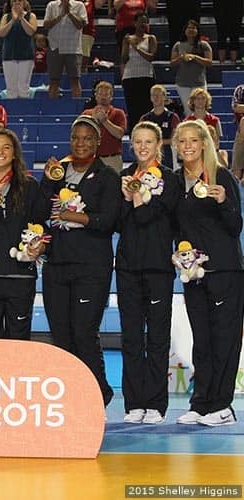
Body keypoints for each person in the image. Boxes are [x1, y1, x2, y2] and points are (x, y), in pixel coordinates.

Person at [38, 115, 121, 408]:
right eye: (76, 138)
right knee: (61, 335)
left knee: (84, 333)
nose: (81, 143)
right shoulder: (57, 172)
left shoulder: (108, 176)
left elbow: (110, 221)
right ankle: (70, 396)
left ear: (97, 142)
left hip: (91, 267)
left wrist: (78, 217)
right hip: (57, 265)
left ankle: (99, 394)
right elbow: (39, 212)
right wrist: (48, 182)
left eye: (87, 138)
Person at [173, 119, 243, 427]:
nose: (188, 145)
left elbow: (235, 226)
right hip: (194, 274)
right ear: (177, 146)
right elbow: (176, 227)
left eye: (193, 140)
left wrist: (224, 201)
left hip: (225, 271)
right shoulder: (176, 181)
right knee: (201, 340)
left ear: (204, 144)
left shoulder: (220, 175)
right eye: (182, 141)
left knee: (224, 339)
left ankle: (222, 406)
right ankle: (200, 404)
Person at [117, 121, 179, 425]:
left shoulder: (171, 180)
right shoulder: (123, 177)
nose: (143, 147)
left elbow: (152, 217)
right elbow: (116, 222)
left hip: (157, 268)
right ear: (132, 145)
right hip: (127, 267)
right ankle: (133, 403)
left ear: (158, 145)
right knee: (131, 337)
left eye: (148, 142)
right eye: (138, 142)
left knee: (157, 337)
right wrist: (125, 199)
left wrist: (137, 200)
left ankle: (155, 404)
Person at [0, 129, 44, 340]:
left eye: (6, 147)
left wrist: (39, 245)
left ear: (14, 153)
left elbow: (40, 225)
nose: (0, 152)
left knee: (19, 341)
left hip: (20, 275)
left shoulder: (29, 186)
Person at [43, 0, 86, 99]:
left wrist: (69, 13)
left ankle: (77, 105)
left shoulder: (79, 5)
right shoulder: (51, 5)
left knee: (75, 80)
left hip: (73, 48)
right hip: (55, 47)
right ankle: (52, 105)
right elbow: (46, 25)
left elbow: (80, 25)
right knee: (54, 81)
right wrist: (60, 16)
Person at [81, 80, 127, 172]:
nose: (103, 97)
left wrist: (105, 121)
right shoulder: (86, 113)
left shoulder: (118, 113)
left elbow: (119, 134)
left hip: (112, 159)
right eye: (100, 94)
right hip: (92, 159)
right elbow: (82, 135)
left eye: (106, 94)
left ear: (111, 97)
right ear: (96, 95)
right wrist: (93, 120)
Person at [120, 12, 155, 130]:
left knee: (147, 109)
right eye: (140, 22)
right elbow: (124, 59)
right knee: (132, 110)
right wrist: (127, 44)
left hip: (146, 77)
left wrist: (136, 47)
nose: (143, 24)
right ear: (135, 23)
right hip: (130, 77)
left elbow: (150, 57)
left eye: (145, 22)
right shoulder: (128, 39)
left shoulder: (151, 38)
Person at [170, 20, 212, 113]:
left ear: (197, 30)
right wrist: (181, 58)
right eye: (189, 28)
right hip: (183, 83)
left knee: (201, 109)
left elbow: (209, 62)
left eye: (193, 28)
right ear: (185, 30)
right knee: (188, 110)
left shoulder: (204, 45)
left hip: (199, 82)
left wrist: (195, 57)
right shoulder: (178, 45)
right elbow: (172, 63)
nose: (191, 30)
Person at [0, 0, 37, 100]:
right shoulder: (6, 17)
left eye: (19, 1)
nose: (16, 3)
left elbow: (31, 32)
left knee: (23, 88)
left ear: (23, 2)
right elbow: (2, 33)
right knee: (11, 89)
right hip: (9, 55)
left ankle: (24, 108)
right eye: (14, 1)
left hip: (26, 55)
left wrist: (21, 18)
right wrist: (13, 20)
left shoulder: (31, 16)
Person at [140, 84, 180, 171]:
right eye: (153, 95)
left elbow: (174, 139)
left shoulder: (172, 117)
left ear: (164, 97)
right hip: (150, 155)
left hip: (168, 154)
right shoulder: (145, 118)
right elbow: (140, 138)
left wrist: (157, 143)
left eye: (159, 94)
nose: (156, 97)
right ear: (150, 98)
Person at [213, 0, 242, 64]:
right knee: (221, 35)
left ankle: (233, 63)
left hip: (236, 6)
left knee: (234, 36)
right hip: (220, 6)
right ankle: (221, 63)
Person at [80, 0, 104, 72]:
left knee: (83, 62)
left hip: (87, 32)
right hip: (71, 33)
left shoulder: (91, 2)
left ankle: (83, 77)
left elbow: (99, 5)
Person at [232, 84, 244, 179]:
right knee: (237, 166)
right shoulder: (240, 89)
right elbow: (236, 107)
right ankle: (237, 186)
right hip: (241, 132)